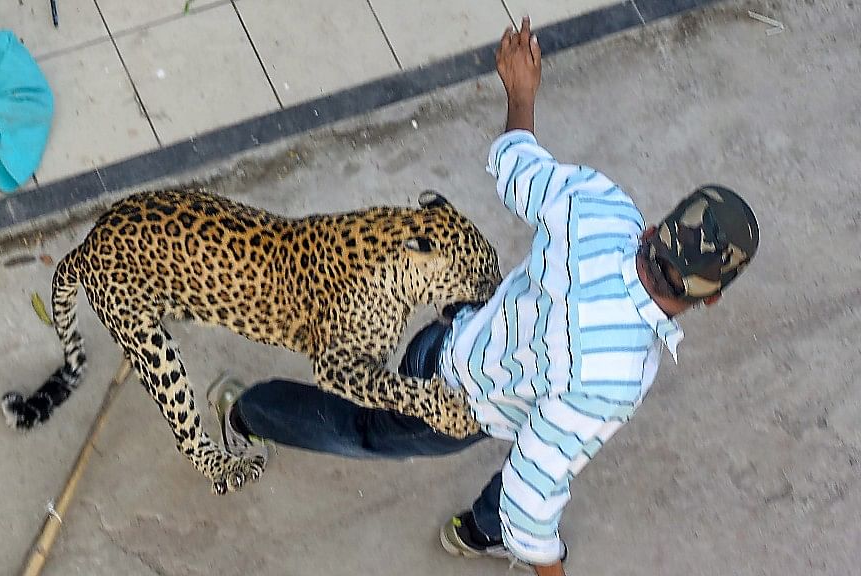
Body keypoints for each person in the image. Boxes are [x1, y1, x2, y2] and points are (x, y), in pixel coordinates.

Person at [208, 16, 759, 575]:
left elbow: (516, 167)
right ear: (710, 298)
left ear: (654, 230)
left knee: (537, 438)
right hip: (454, 408)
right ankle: (252, 411)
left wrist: (521, 92)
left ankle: (479, 531)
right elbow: (531, 491)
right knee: (367, 430)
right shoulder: (612, 375)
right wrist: (551, 570)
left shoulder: (601, 210)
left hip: (454, 335)